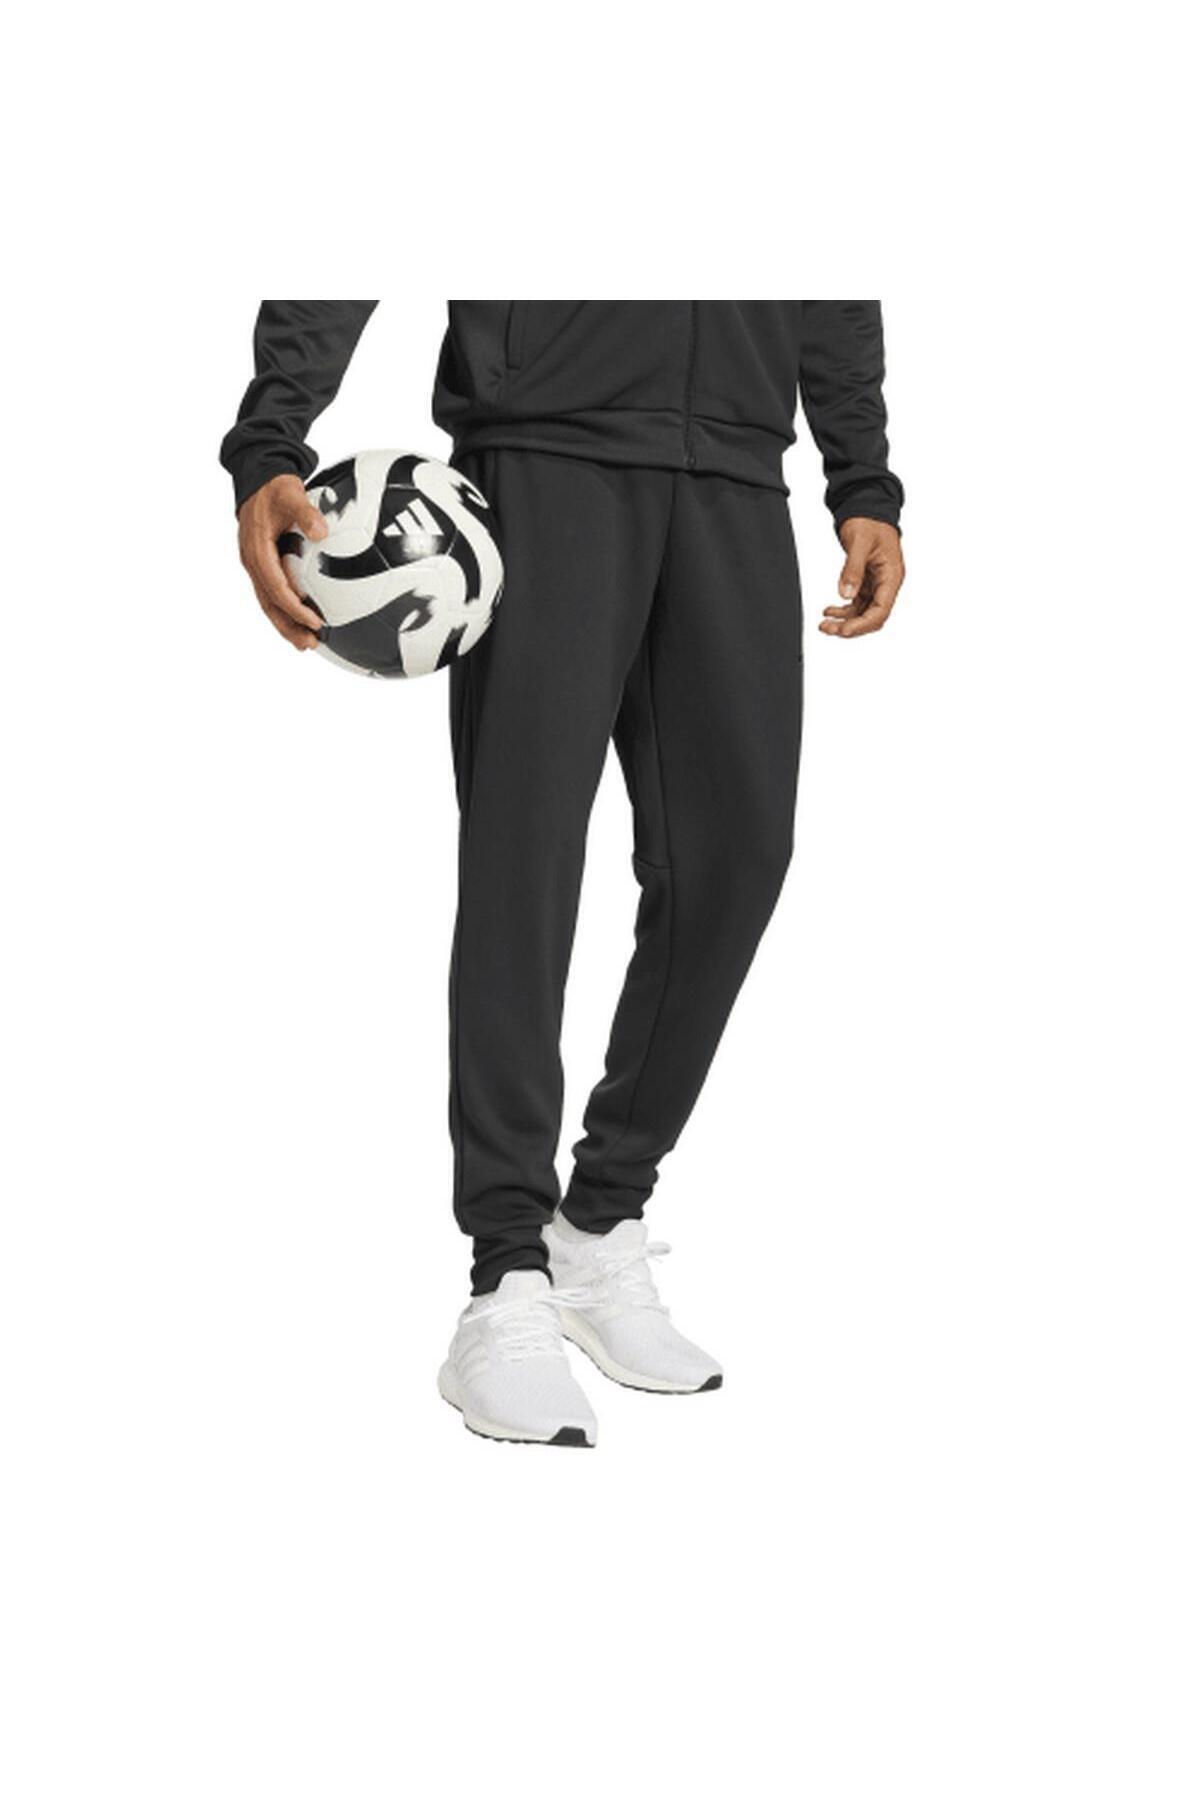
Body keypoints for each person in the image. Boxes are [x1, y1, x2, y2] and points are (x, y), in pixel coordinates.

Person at [222, 301, 905, 1447]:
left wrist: (862, 477)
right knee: (522, 862)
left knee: (738, 858)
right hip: (545, 453)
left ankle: (598, 1222)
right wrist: (271, 437)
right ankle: (505, 1277)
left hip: (736, 466)